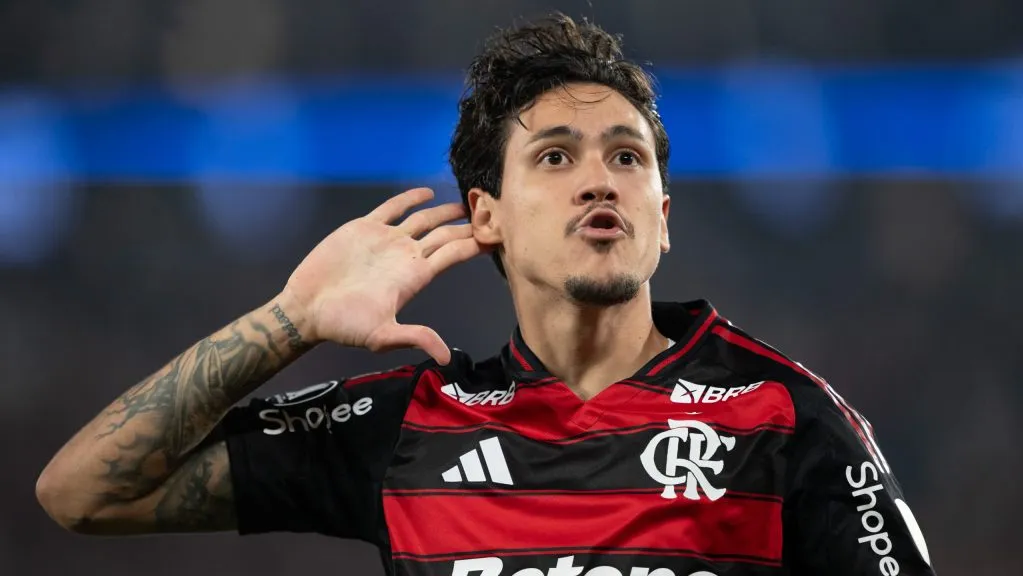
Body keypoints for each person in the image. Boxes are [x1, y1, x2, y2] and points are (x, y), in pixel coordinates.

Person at [36, 13, 936, 576]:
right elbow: (82, 494)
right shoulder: (408, 426)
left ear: (663, 216)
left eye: (627, 156)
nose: (599, 181)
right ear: (487, 216)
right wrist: (288, 323)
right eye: (556, 156)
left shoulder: (785, 416)